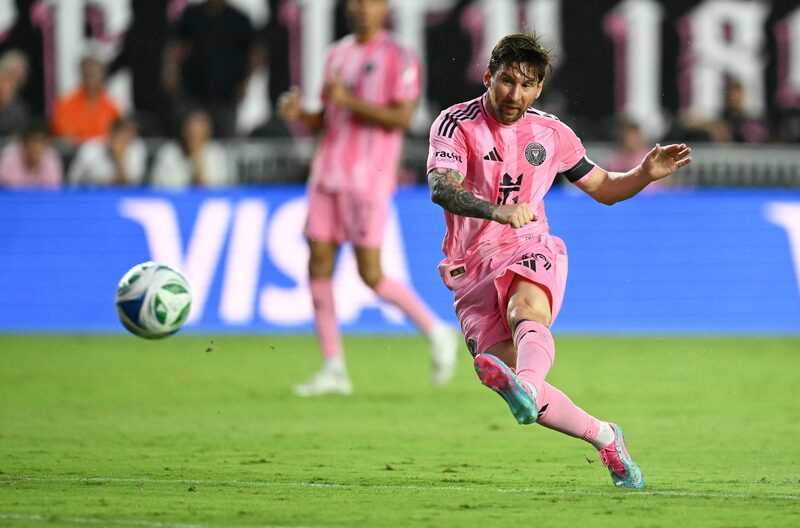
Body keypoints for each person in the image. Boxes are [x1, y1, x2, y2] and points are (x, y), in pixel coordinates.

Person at [426, 33, 692, 489]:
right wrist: (496, 210)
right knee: (517, 378)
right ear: (488, 76)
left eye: (527, 85)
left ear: (540, 89)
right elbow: (441, 188)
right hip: (471, 267)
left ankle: (525, 386)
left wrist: (644, 174)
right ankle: (606, 435)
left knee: (526, 312)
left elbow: (605, 188)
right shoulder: (454, 125)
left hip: (529, 245)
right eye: (507, 81)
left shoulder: (552, 134)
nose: (515, 95)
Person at [278, 0, 458, 397]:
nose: (362, 8)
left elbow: (403, 118)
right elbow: (328, 120)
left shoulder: (399, 55)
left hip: (368, 179)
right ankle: (333, 368)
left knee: (370, 273)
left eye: (371, 2)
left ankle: (436, 330)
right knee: (318, 265)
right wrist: (302, 114)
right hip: (327, 173)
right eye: (357, 2)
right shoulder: (337, 54)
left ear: (384, 8)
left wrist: (348, 101)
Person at [163, 0, 256, 138]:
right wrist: (170, 73)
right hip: (192, 93)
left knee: (225, 144)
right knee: (189, 138)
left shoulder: (239, 19)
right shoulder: (192, 15)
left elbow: (254, 55)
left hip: (226, 97)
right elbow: (176, 46)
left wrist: (244, 83)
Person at [150, 109, 231, 188]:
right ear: (183, 130)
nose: (194, 135)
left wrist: (198, 161)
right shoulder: (169, 152)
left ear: (208, 131)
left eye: (199, 131)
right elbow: (158, 187)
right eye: (190, 129)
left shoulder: (216, 153)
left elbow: (215, 191)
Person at [51, 55, 121, 145]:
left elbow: (118, 135)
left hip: (104, 154)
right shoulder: (66, 103)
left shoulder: (112, 106)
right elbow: (64, 135)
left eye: (93, 75)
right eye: (86, 75)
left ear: (103, 77)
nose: (90, 80)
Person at [67, 116, 147, 187]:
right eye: (122, 134)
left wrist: (119, 160)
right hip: (90, 195)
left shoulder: (137, 148)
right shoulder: (90, 148)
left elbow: (130, 185)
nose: (125, 139)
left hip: (120, 196)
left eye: (131, 135)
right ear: (112, 133)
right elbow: (73, 180)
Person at [0, 120, 63, 188]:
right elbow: (8, 191)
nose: (35, 148)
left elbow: (52, 192)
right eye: (32, 143)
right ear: (24, 144)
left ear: (46, 144)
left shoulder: (52, 160)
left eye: (39, 143)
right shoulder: (10, 158)